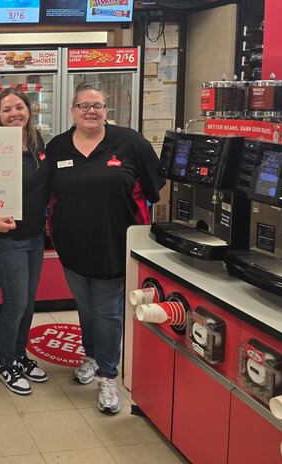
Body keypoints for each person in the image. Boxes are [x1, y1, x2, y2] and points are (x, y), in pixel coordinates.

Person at [46, 84, 164, 414]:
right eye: (83, 105)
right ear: (72, 111)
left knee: (108, 311)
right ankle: (92, 356)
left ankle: (108, 376)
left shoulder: (130, 142)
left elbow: (156, 190)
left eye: (97, 105)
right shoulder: (57, 147)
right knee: (86, 306)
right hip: (71, 246)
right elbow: (44, 193)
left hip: (115, 244)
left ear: (106, 111)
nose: (90, 111)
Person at [0, 88, 49, 395]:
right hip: (6, 237)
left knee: (29, 303)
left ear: (29, 111)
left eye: (18, 107)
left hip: (35, 236)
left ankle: (20, 355)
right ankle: (6, 362)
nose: (14, 114)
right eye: (6, 110)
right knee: (16, 301)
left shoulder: (37, 144)